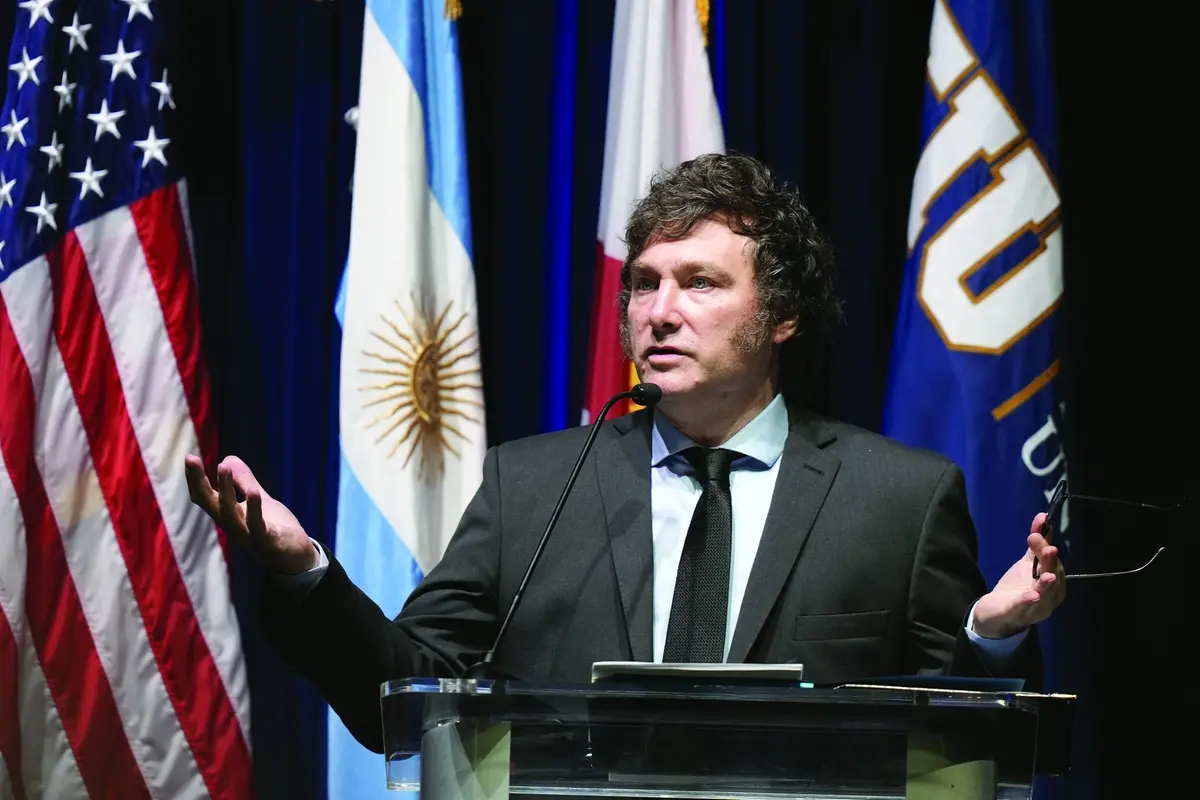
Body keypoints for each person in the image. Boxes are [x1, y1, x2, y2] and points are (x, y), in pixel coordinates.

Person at [184, 153, 1066, 754]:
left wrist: (987, 642)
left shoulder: (899, 500)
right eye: (644, 283)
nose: (659, 311)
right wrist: (305, 572)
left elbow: (963, 746)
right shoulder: (531, 486)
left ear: (783, 315)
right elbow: (405, 705)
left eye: (701, 283)